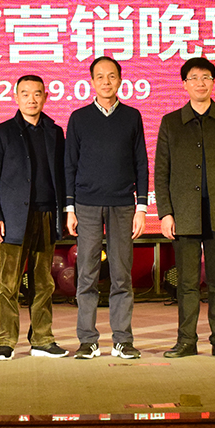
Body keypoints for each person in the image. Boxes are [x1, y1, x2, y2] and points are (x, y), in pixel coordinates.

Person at [156, 57, 215, 359]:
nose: (200, 83)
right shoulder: (171, 122)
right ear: (184, 84)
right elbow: (161, 171)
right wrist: (166, 213)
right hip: (184, 213)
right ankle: (186, 340)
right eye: (194, 78)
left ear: (213, 82)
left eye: (206, 77)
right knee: (187, 284)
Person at [65, 56, 149, 360]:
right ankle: (87, 340)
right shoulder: (79, 118)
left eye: (111, 76)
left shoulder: (132, 116)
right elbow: (69, 164)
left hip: (123, 204)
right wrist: (69, 208)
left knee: (121, 274)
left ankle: (122, 340)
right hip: (86, 205)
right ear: (91, 82)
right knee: (86, 274)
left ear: (120, 80)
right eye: (99, 76)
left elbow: (141, 162)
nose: (106, 82)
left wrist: (142, 207)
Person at [0, 75, 69, 360]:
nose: (32, 99)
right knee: (8, 284)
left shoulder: (54, 131)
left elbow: (62, 176)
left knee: (44, 283)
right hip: (13, 219)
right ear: (16, 97)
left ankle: (42, 339)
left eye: (37, 94)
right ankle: (5, 342)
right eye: (26, 93)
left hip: (46, 216)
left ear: (45, 97)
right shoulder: (1, 132)